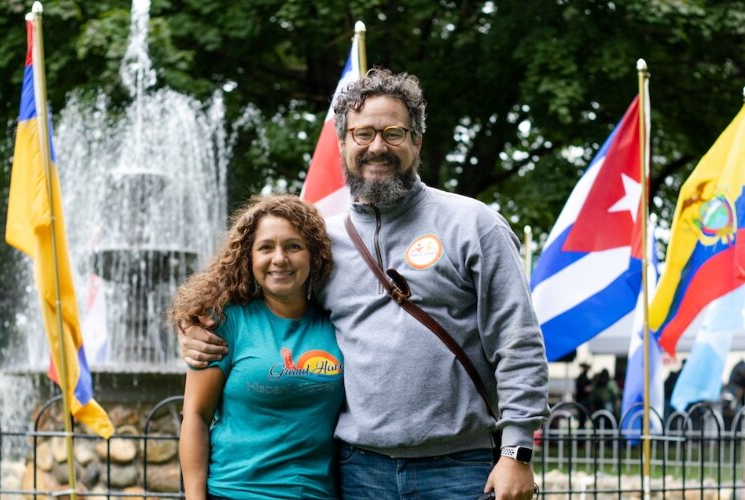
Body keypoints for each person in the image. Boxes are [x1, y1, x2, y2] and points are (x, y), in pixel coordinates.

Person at [179, 68, 549, 500]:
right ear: (343, 144)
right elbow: (254, 297)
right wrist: (192, 329)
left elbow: (519, 342)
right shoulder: (320, 244)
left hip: (460, 468)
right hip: (359, 472)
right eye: (363, 133)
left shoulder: (474, 224)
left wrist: (518, 451)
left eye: (393, 132)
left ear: (417, 141)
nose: (377, 146)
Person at [173, 195, 343, 499]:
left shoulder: (338, 324)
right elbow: (196, 416)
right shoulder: (223, 323)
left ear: (313, 255)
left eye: (293, 246)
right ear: (248, 258)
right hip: (232, 492)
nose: (279, 258)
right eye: (266, 247)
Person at [575, 362, 592, 428]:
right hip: (582, 400)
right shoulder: (582, 377)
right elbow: (582, 388)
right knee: (582, 417)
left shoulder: (583, 377)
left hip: (582, 399)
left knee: (583, 417)